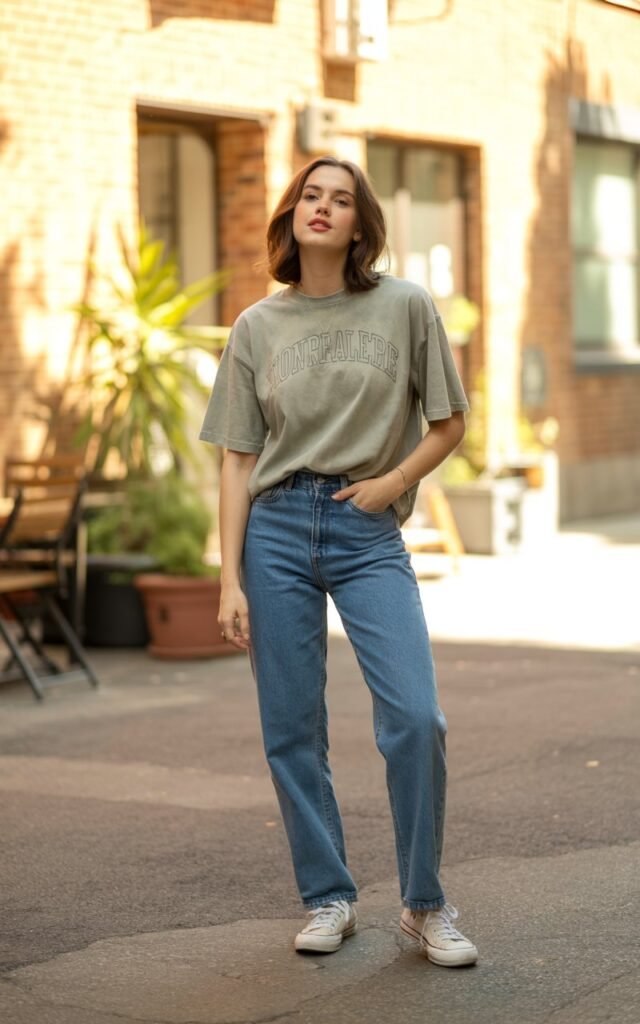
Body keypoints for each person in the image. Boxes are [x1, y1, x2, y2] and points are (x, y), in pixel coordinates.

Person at [199, 156, 478, 967]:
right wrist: (229, 579)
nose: (324, 207)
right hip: (276, 529)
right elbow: (236, 460)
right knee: (291, 729)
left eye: (342, 198)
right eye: (311, 195)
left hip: (365, 527)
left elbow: (449, 421)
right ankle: (329, 896)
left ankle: (424, 904)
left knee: (417, 719)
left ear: (361, 223)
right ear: (290, 215)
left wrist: (390, 482)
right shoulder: (256, 327)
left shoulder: (405, 307)